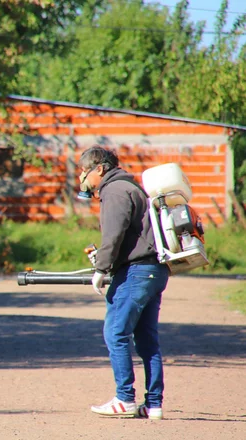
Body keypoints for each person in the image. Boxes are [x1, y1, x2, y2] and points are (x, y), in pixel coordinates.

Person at [77, 146, 170, 420]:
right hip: (154, 270)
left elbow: (113, 236)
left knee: (115, 333)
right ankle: (153, 404)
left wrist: (101, 268)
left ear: (100, 169)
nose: (82, 177)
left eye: (84, 171)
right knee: (146, 340)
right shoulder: (131, 188)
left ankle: (125, 398)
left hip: (136, 273)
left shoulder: (115, 191)